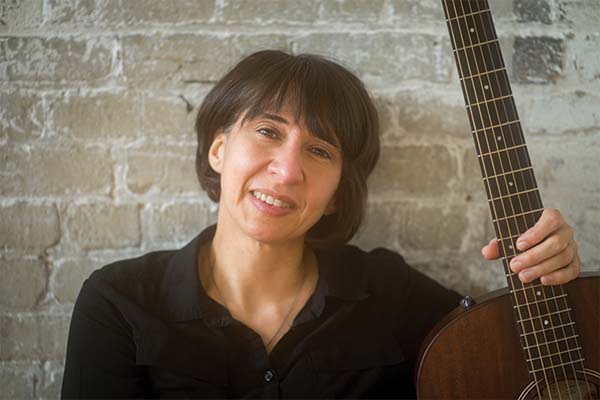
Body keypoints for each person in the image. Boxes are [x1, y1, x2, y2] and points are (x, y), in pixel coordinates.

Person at [61, 50, 580, 398]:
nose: (287, 170)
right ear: (219, 149)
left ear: (336, 196)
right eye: (268, 131)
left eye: (318, 149)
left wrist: (550, 272)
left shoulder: (392, 296)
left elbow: (519, 367)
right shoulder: (118, 303)